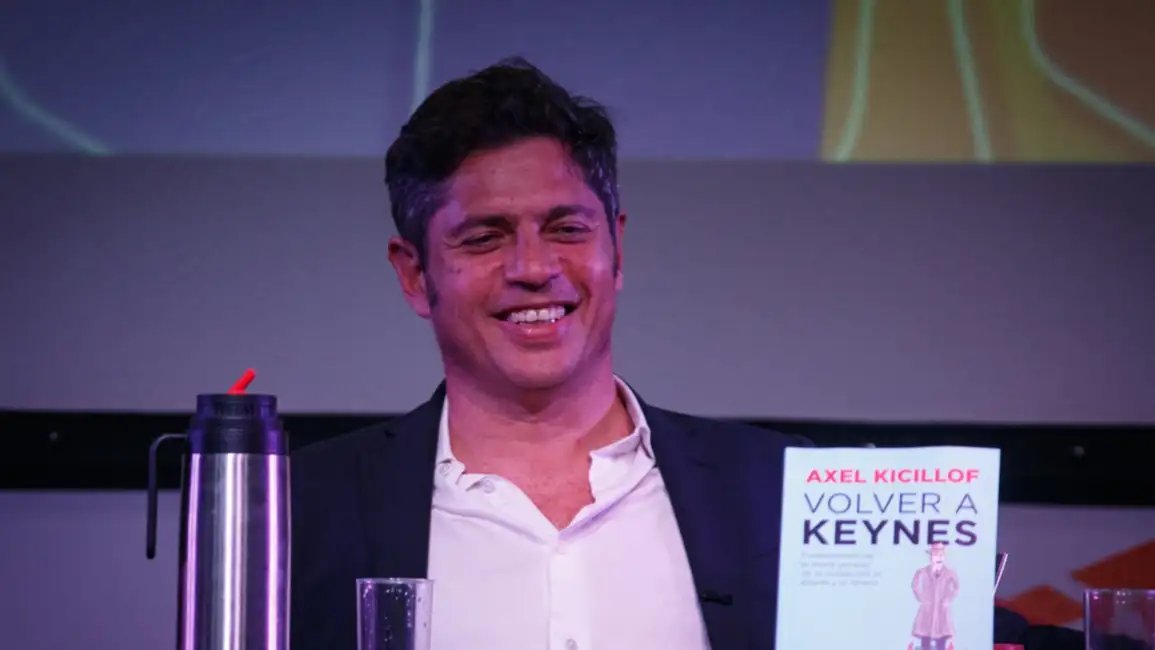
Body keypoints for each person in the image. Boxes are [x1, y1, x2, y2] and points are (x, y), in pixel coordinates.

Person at [290, 57, 1089, 650]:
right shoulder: (301, 513)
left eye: (566, 228)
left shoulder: (782, 494)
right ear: (413, 274)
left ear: (616, 249)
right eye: (484, 237)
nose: (533, 267)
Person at [911, 542, 959, 650]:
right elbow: (914, 586)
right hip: (928, 608)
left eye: (941, 555)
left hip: (941, 608)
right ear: (931, 557)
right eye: (936, 555)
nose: (939, 558)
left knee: (941, 636)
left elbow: (956, 587)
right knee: (925, 634)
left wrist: (948, 599)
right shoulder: (922, 572)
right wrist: (922, 599)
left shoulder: (949, 573)